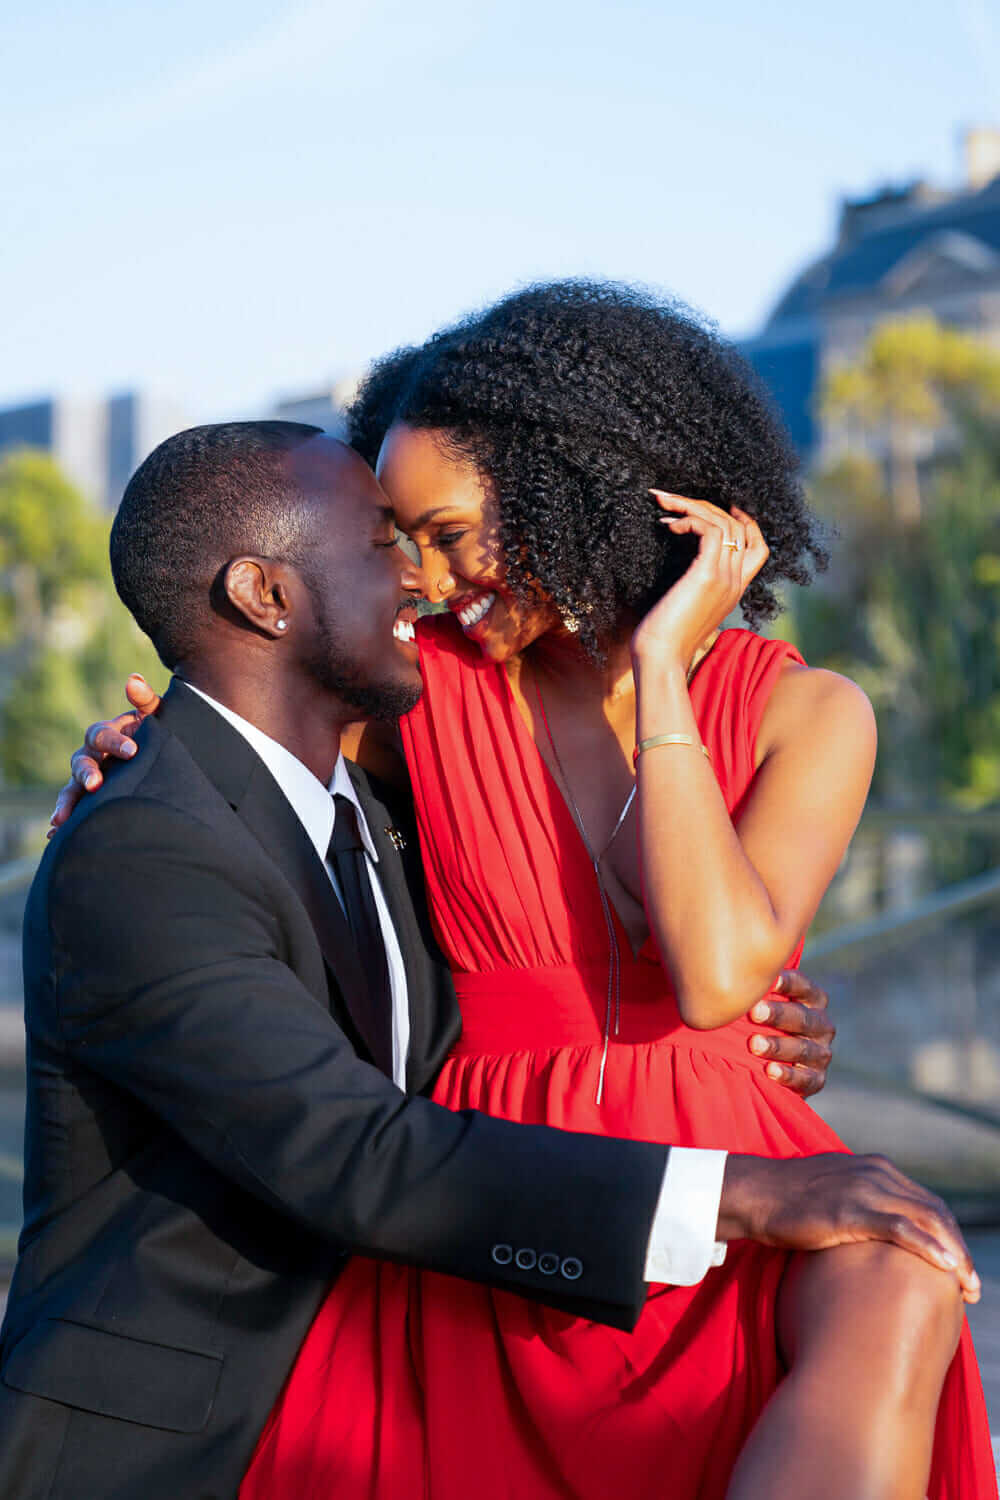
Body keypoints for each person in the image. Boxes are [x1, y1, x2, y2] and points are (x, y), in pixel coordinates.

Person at [56, 279, 993, 1498]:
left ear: (571, 492)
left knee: (904, 1276)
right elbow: (241, 773)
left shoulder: (808, 714)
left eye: (447, 531)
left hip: (730, 1164)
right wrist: (126, 747)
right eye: (401, 542)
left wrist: (661, 667)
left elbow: (714, 978)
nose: (431, 578)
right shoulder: (422, 692)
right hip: (484, 1187)